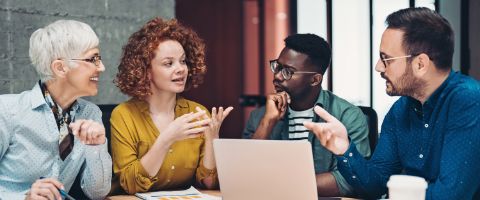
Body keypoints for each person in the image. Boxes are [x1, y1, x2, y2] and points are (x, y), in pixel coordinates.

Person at [304, 7, 480, 199]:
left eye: (386, 59)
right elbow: (376, 184)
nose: (378, 67)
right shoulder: (401, 109)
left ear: (420, 64)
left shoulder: (468, 101)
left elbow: (450, 195)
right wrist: (344, 148)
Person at [110, 17, 233, 195]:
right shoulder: (123, 115)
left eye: (183, 61)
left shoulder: (197, 113)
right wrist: (167, 138)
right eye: (169, 63)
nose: (181, 69)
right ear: (145, 70)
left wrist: (212, 138)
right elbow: (130, 184)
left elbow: (208, 183)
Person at [243, 33, 371, 196]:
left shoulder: (348, 116)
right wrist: (267, 123)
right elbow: (244, 174)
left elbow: (352, 180)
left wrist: (284, 184)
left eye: (288, 72)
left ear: (315, 79)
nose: (277, 76)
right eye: (277, 66)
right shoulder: (260, 116)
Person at [0, 20, 112, 200]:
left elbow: (97, 193)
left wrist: (96, 147)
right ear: (60, 68)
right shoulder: (7, 111)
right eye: (93, 59)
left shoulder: (90, 114)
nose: (102, 67)